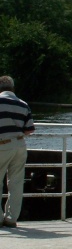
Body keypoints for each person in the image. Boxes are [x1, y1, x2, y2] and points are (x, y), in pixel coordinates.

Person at [0, 76, 35, 228]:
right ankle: (11, 218)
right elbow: (29, 129)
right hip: (20, 145)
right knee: (16, 183)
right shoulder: (23, 104)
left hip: (2, 145)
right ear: (12, 88)